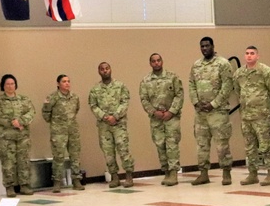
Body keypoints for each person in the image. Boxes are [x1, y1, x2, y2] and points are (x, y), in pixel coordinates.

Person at [188, 36, 234, 186]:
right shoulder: (196, 65)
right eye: (202, 46)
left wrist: (214, 104)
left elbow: (227, 87)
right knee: (202, 144)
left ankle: (226, 173)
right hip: (201, 114)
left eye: (207, 46)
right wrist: (196, 102)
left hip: (218, 112)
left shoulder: (223, 64)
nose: (204, 48)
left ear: (213, 46)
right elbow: (191, 84)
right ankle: (203, 173)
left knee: (222, 144)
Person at [233, 46, 270, 186]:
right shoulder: (239, 73)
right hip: (246, 116)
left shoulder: (265, 71)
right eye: (246, 53)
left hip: (261, 115)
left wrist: (263, 104)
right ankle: (253, 174)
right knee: (249, 146)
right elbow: (237, 91)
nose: (249, 56)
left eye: (252, 53)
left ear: (257, 56)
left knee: (265, 145)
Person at [139, 53, 184, 186]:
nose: (156, 63)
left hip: (171, 117)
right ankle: (166, 172)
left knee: (172, 144)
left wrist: (171, 111)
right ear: (150, 63)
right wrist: (154, 112)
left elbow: (179, 95)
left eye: (158, 60)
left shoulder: (172, 77)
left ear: (162, 61)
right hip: (156, 119)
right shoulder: (146, 81)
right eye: (153, 61)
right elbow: (144, 99)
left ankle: (174, 173)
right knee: (160, 145)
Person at [88, 62, 134, 188]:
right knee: (108, 152)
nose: (105, 71)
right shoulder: (95, 90)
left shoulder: (120, 86)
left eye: (107, 68)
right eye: (102, 69)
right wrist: (105, 116)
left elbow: (125, 102)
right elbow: (93, 106)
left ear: (111, 70)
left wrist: (116, 116)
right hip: (104, 126)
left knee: (123, 149)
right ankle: (114, 177)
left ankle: (129, 176)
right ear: (99, 71)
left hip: (119, 124)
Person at [0, 74, 35, 197]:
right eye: (7, 84)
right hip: (6, 137)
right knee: (8, 162)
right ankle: (9, 187)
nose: (10, 86)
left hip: (22, 136)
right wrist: (13, 123)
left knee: (24, 161)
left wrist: (21, 122)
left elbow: (31, 112)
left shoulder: (24, 99)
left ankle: (24, 185)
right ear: (3, 86)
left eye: (12, 83)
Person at [43, 74, 84, 193]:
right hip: (58, 132)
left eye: (68, 81)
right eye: (64, 81)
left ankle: (76, 180)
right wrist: (56, 124)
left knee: (75, 156)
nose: (67, 83)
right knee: (58, 157)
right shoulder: (52, 97)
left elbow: (76, 110)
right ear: (58, 84)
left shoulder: (74, 97)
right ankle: (57, 182)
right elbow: (46, 113)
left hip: (72, 130)